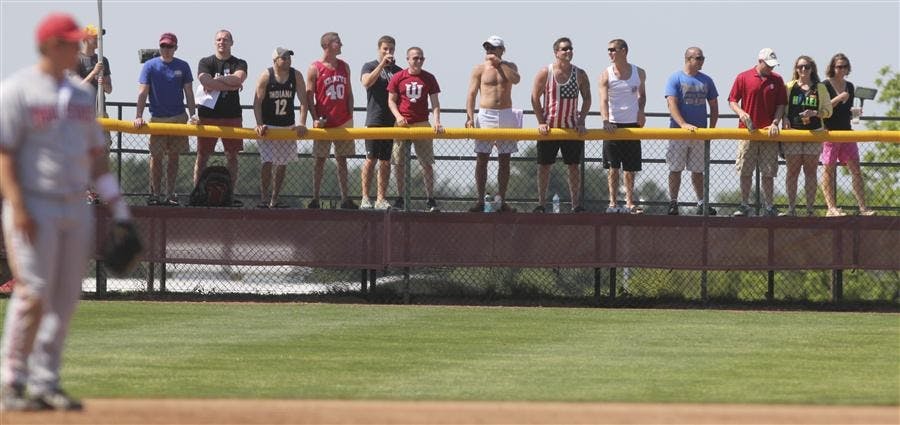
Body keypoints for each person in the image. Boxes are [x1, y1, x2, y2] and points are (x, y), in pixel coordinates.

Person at [0, 13, 133, 411]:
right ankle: (11, 381)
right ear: (49, 46)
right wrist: (18, 206)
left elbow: (97, 158)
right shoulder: (17, 90)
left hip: (76, 205)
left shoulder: (79, 95)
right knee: (34, 293)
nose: (79, 48)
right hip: (33, 203)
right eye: (71, 42)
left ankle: (46, 382)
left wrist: (121, 210)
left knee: (63, 298)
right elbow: (4, 154)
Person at [133, 32, 197, 206]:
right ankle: (156, 193)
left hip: (178, 117)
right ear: (159, 47)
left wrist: (193, 116)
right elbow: (142, 92)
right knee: (156, 157)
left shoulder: (183, 66)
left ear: (176, 48)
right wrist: (138, 116)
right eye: (163, 46)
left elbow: (189, 93)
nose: (166, 50)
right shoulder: (149, 66)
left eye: (170, 46)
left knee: (174, 157)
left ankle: (170, 193)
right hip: (158, 119)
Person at [531, 37, 591, 213]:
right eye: (564, 49)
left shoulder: (579, 74)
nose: (568, 52)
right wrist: (541, 122)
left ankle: (575, 204)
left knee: (573, 166)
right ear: (556, 52)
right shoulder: (545, 72)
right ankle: (541, 203)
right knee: (544, 166)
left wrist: (581, 121)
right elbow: (535, 97)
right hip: (549, 129)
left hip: (571, 129)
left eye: (570, 48)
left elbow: (587, 98)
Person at [465, 35, 522, 213]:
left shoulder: (509, 66)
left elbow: (516, 80)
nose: (489, 51)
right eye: (487, 48)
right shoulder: (479, 69)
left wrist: (500, 64)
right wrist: (469, 117)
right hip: (486, 114)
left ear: (501, 50)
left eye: (493, 48)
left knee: (505, 160)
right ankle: (480, 200)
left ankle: (502, 200)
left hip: (506, 114)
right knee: (482, 158)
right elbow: (472, 94)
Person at [728, 48, 787, 217]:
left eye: (773, 66)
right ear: (760, 61)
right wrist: (741, 113)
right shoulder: (743, 77)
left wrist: (776, 122)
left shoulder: (777, 80)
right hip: (747, 132)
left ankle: (769, 206)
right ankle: (744, 204)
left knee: (769, 171)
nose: (771, 69)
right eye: (768, 65)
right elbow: (732, 100)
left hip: (769, 133)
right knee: (745, 169)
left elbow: (781, 105)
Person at [663, 47, 719, 216]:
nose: (702, 61)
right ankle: (673, 202)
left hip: (699, 132)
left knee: (698, 170)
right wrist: (682, 124)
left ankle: (702, 203)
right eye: (699, 58)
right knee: (675, 168)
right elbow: (671, 103)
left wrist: (711, 129)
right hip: (678, 133)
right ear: (689, 59)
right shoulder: (675, 78)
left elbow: (714, 105)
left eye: (703, 58)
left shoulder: (707, 80)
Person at [388, 46, 444, 212]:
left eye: (421, 58)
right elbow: (391, 101)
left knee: (426, 162)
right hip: (402, 124)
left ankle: (430, 199)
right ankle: (399, 198)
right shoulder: (398, 77)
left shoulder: (429, 78)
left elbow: (435, 103)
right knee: (398, 162)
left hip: (422, 123)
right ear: (408, 59)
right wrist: (398, 117)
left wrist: (437, 121)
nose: (418, 61)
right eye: (415, 58)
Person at [195, 29, 248, 205]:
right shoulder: (205, 62)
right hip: (208, 115)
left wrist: (218, 84)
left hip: (231, 115)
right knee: (202, 155)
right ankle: (198, 192)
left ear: (231, 43)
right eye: (218, 39)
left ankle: (229, 194)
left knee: (232, 155)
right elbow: (205, 81)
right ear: (214, 42)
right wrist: (231, 85)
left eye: (225, 40)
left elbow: (239, 79)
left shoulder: (240, 62)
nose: (221, 42)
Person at [821, 53, 876, 217]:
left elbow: (848, 111)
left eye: (845, 66)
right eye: (839, 66)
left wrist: (856, 113)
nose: (842, 69)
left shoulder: (850, 86)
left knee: (856, 170)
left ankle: (863, 207)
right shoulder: (824, 85)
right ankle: (831, 207)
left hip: (847, 131)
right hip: (830, 133)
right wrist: (839, 97)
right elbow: (822, 109)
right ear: (832, 67)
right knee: (828, 171)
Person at [306, 32, 357, 209]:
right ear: (327, 45)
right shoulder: (315, 68)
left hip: (343, 120)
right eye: (338, 42)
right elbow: (309, 96)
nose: (341, 44)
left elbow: (349, 93)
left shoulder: (345, 66)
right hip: (324, 121)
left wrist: (350, 114)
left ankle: (345, 198)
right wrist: (314, 119)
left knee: (342, 159)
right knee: (320, 159)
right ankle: (315, 197)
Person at [252, 47, 308, 208]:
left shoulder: (295, 75)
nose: (288, 61)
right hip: (269, 126)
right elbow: (257, 103)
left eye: (289, 58)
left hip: (287, 126)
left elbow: (303, 101)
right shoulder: (266, 76)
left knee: (282, 163)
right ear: (275, 60)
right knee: (267, 161)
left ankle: (275, 198)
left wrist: (302, 123)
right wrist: (259, 123)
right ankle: (264, 196)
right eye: (284, 58)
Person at [781, 55, 832, 217]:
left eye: (807, 67)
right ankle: (791, 208)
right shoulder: (789, 87)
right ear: (796, 69)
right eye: (800, 66)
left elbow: (828, 111)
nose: (803, 69)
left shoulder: (820, 88)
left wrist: (815, 113)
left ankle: (810, 209)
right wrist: (784, 118)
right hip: (793, 134)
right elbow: (782, 108)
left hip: (814, 133)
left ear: (812, 69)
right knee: (792, 171)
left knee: (810, 172)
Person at [599, 39, 646, 214]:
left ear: (624, 51)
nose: (610, 53)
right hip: (613, 124)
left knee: (630, 167)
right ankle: (612, 202)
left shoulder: (638, 72)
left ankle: (629, 202)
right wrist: (605, 120)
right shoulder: (606, 74)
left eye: (613, 49)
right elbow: (603, 100)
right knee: (613, 167)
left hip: (632, 124)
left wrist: (641, 111)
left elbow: (642, 96)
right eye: (608, 50)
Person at [360, 35, 402, 210]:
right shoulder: (369, 66)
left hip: (390, 121)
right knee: (371, 159)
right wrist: (381, 65)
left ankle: (381, 198)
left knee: (385, 161)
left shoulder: (399, 71)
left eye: (391, 49)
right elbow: (366, 82)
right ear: (379, 49)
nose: (388, 52)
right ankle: (365, 198)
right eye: (385, 49)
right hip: (374, 119)